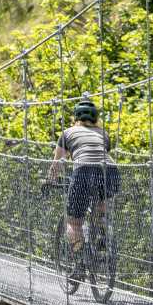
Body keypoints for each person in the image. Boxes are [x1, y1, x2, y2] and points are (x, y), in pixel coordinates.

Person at [47, 100, 120, 273]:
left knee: (73, 222)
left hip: (84, 172)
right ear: (96, 118)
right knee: (100, 209)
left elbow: (57, 163)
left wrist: (50, 180)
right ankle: (102, 233)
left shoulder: (67, 133)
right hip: (110, 172)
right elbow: (101, 155)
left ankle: (79, 259)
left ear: (75, 117)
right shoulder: (104, 133)